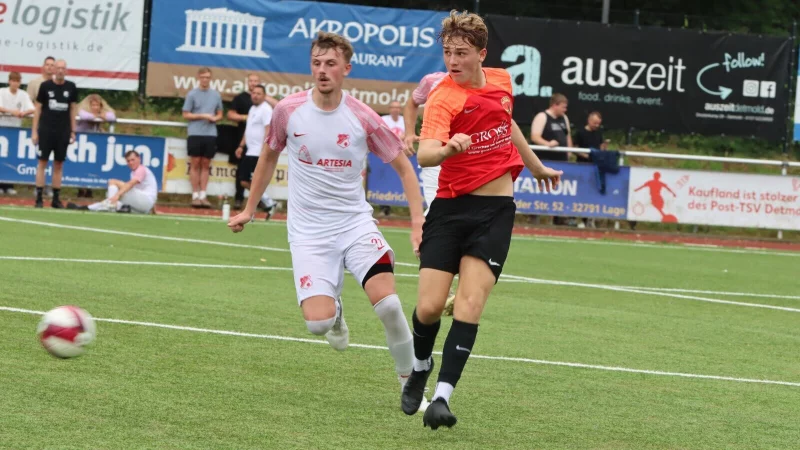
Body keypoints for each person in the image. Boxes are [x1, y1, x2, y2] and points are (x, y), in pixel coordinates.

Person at [227, 31, 429, 413]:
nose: (322, 70)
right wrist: (249, 209)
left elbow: (405, 168)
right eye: (317, 63)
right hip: (308, 233)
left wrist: (417, 222)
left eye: (331, 63)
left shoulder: (362, 117)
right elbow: (268, 158)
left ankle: (410, 382)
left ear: (346, 69)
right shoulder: (287, 111)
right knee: (317, 325)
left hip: (355, 225)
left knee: (387, 305)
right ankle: (335, 313)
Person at [400, 10, 562, 429]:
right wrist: (450, 148)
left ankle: (441, 397)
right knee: (431, 306)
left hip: (495, 212)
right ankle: (419, 366)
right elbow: (426, 154)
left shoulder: (502, 82)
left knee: (471, 304)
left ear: (481, 53)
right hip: (451, 210)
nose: (452, 60)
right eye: (447, 52)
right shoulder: (443, 97)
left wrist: (536, 166)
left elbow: (506, 125)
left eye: (461, 52)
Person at [402, 71, 458, 315]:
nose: (455, 58)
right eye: (449, 50)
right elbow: (412, 102)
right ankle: (443, 288)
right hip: (434, 155)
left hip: (466, 158)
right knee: (439, 208)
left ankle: (455, 283)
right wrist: (408, 133)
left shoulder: (484, 81)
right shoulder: (431, 81)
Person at [228, 73, 279, 209]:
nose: (255, 95)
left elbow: (268, 129)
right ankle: (267, 202)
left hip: (257, 152)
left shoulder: (266, 109)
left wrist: (264, 149)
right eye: (254, 93)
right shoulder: (252, 109)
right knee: (245, 180)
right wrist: (240, 146)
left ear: (264, 96)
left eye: (258, 93)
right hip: (250, 151)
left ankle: (266, 202)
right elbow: (248, 130)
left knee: (248, 181)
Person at [32, 59, 78, 209]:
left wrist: (73, 130)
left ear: (66, 70)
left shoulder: (71, 87)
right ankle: (39, 197)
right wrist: (34, 131)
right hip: (46, 130)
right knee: (42, 162)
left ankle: (56, 199)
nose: (59, 70)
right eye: (57, 68)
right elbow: (38, 108)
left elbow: (72, 109)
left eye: (62, 68)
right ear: (53, 70)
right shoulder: (45, 87)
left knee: (58, 164)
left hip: (62, 131)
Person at [182, 67, 223, 208]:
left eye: (208, 77)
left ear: (210, 79)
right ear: (199, 78)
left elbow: (220, 113)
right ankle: (195, 195)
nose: (205, 80)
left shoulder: (215, 95)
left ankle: (203, 194)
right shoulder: (192, 94)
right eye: (203, 77)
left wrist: (214, 118)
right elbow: (186, 114)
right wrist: (202, 116)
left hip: (210, 133)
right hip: (195, 132)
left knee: (206, 164)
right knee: (195, 163)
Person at [67, 150, 158, 214]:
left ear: (139, 159)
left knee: (113, 182)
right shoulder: (134, 172)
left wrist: (117, 195)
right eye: (128, 161)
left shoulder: (141, 169)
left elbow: (130, 184)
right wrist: (153, 210)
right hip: (144, 207)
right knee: (117, 201)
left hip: (145, 202)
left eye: (132, 160)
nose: (130, 162)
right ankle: (87, 208)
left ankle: (109, 206)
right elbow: (148, 191)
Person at [0, 71, 35, 196]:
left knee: (12, 157)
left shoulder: (23, 95)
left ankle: (9, 185)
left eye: (17, 81)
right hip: (2, 129)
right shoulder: (2, 92)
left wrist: (22, 113)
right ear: (9, 81)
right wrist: (12, 111)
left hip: (15, 130)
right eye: (13, 81)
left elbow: (32, 109)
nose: (15, 83)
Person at [531, 93, 572, 162]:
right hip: (545, 160)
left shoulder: (564, 117)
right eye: (563, 107)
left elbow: (567, 135)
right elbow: (535, 137)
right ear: (555, 105)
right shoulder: (542, 116)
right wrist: (547, 143)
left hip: (562, 160)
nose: (565, 110)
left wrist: (569, 152)